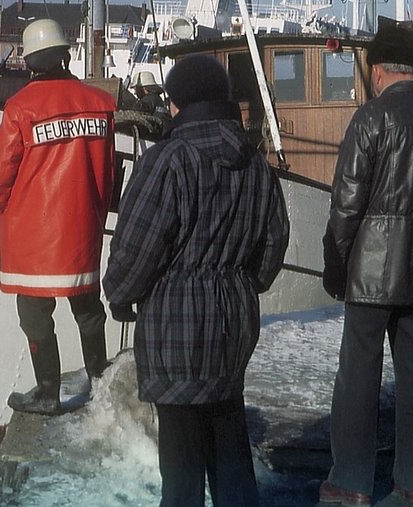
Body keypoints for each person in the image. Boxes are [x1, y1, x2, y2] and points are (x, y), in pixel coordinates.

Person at [102, 54, 289, 507]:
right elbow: (274, 242)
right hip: (233, 322)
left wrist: (121, 295)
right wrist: (240, 286)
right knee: (229, 444)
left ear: (178, 104)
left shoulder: (167, 161)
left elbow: (136, 246)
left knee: (182, 465)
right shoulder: (256, 165)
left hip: (175, 327)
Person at [320, 18, 413, 505]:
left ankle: (354, 481)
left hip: (370, 273)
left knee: (359, 374)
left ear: (378, 70)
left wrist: (336, 263)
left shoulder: (370, 119)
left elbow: (346, 205)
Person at [0, 18, 116, 416]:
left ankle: (47, 391)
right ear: (65, 54)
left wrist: (1, 206)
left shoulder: (20, 108)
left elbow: (0, 174)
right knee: (88, 309)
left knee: (34, 311)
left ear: (29, 62)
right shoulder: (100, 104)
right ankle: (100, 383)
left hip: (34, 233)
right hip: (82, 227)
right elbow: (108, 172)